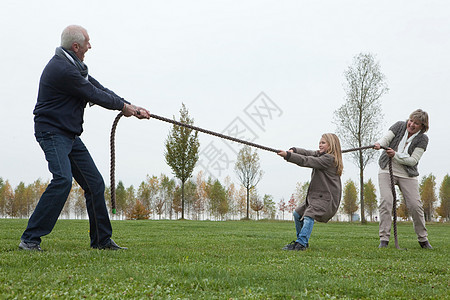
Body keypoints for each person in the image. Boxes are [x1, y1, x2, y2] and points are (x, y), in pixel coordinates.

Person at [19, 25, 151, 251]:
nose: (91, 46)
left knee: (94, 183)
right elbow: (93, 94)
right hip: (51, 132)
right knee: (62, 180)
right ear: (76, 46)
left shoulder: (76, 68)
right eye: (88, 42)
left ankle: (101, 241)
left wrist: (130, 105)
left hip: (68, 135)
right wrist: (124, 108)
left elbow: (100, 88)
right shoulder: (63, 70)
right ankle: (30, 239)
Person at [374, 109, 432, 249]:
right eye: (411, 120)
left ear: (422, 127)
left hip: (407, 173)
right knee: (386, 200)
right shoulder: (399, 125)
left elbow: (413, 160)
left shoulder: (423, 139)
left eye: (416, 123)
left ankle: (423, 239)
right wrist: (379, 143)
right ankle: (384, 239)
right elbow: (386, 138)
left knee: (415, 205)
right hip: (387, 168)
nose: (411, 125)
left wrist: (396, 155)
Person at [277, 133, 343, 251]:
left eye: (323, 143)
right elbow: (308, 153)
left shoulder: (328, 159)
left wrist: (288, 156)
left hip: (327, 198)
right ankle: (301, 242)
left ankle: (301, 243)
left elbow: (306, 160)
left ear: (331, 145)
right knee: (297, 214)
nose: (320, 144)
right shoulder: (321, 155)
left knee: (309, 215)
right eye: (320, 142)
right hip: (316, 196)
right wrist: (294, 150)